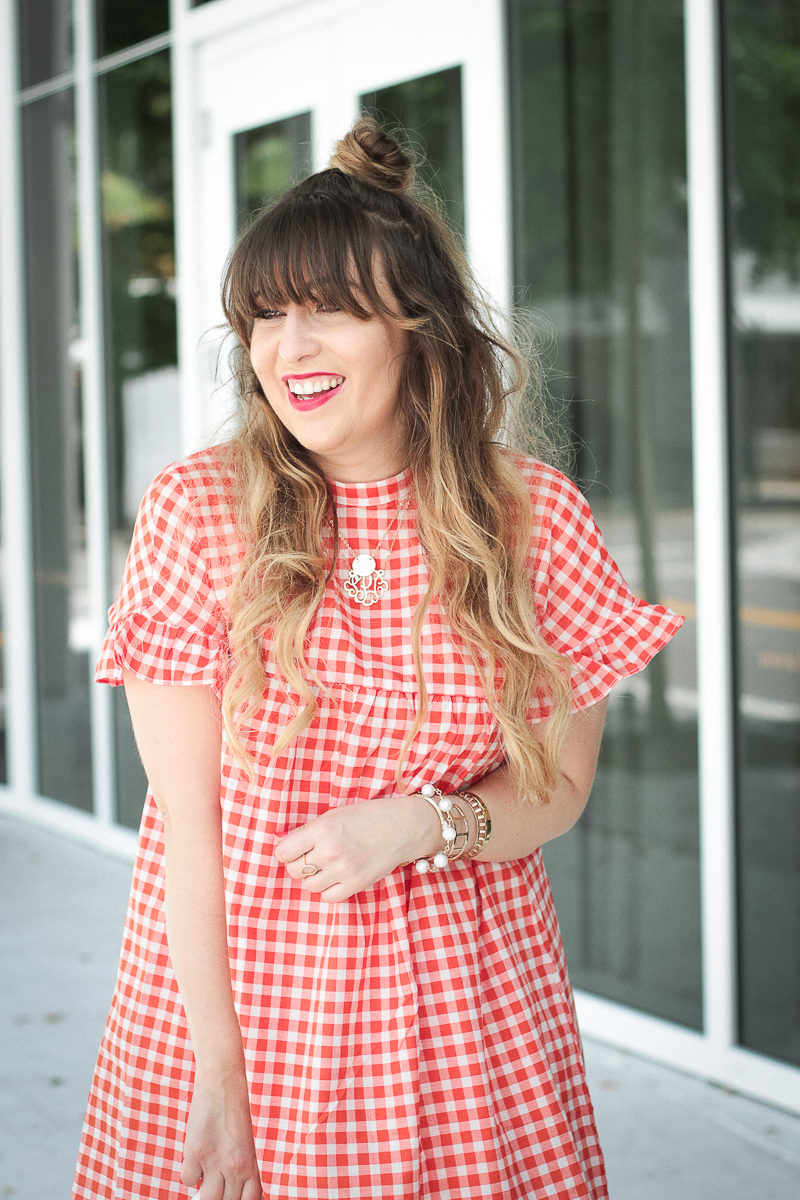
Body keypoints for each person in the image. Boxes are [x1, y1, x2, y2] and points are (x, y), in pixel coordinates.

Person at [73, 118, 682, 1200]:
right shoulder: (196, 514)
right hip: (245, 1009)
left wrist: (424, 823)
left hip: (469, 1012)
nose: (287, 348)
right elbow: (184, 833)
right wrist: (221, 1078)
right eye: (263, 317)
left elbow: (561, 787)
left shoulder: (530, 518)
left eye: (330, 311)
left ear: (418, 327)